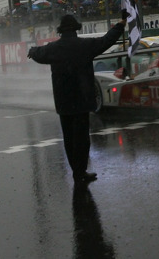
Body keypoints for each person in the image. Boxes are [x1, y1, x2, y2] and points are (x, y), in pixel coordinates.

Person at [28, 14, 126, 183]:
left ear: (61, 30)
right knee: (81, 138)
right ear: (76, 28)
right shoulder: (85, 46)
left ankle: (76, 171)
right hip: (82, 99)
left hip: (63, 102)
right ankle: (80, 171)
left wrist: (32, 51)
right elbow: (106, 41)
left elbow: (37, 53)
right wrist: (119, 25)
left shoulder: (53, 48)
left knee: (68, 138)